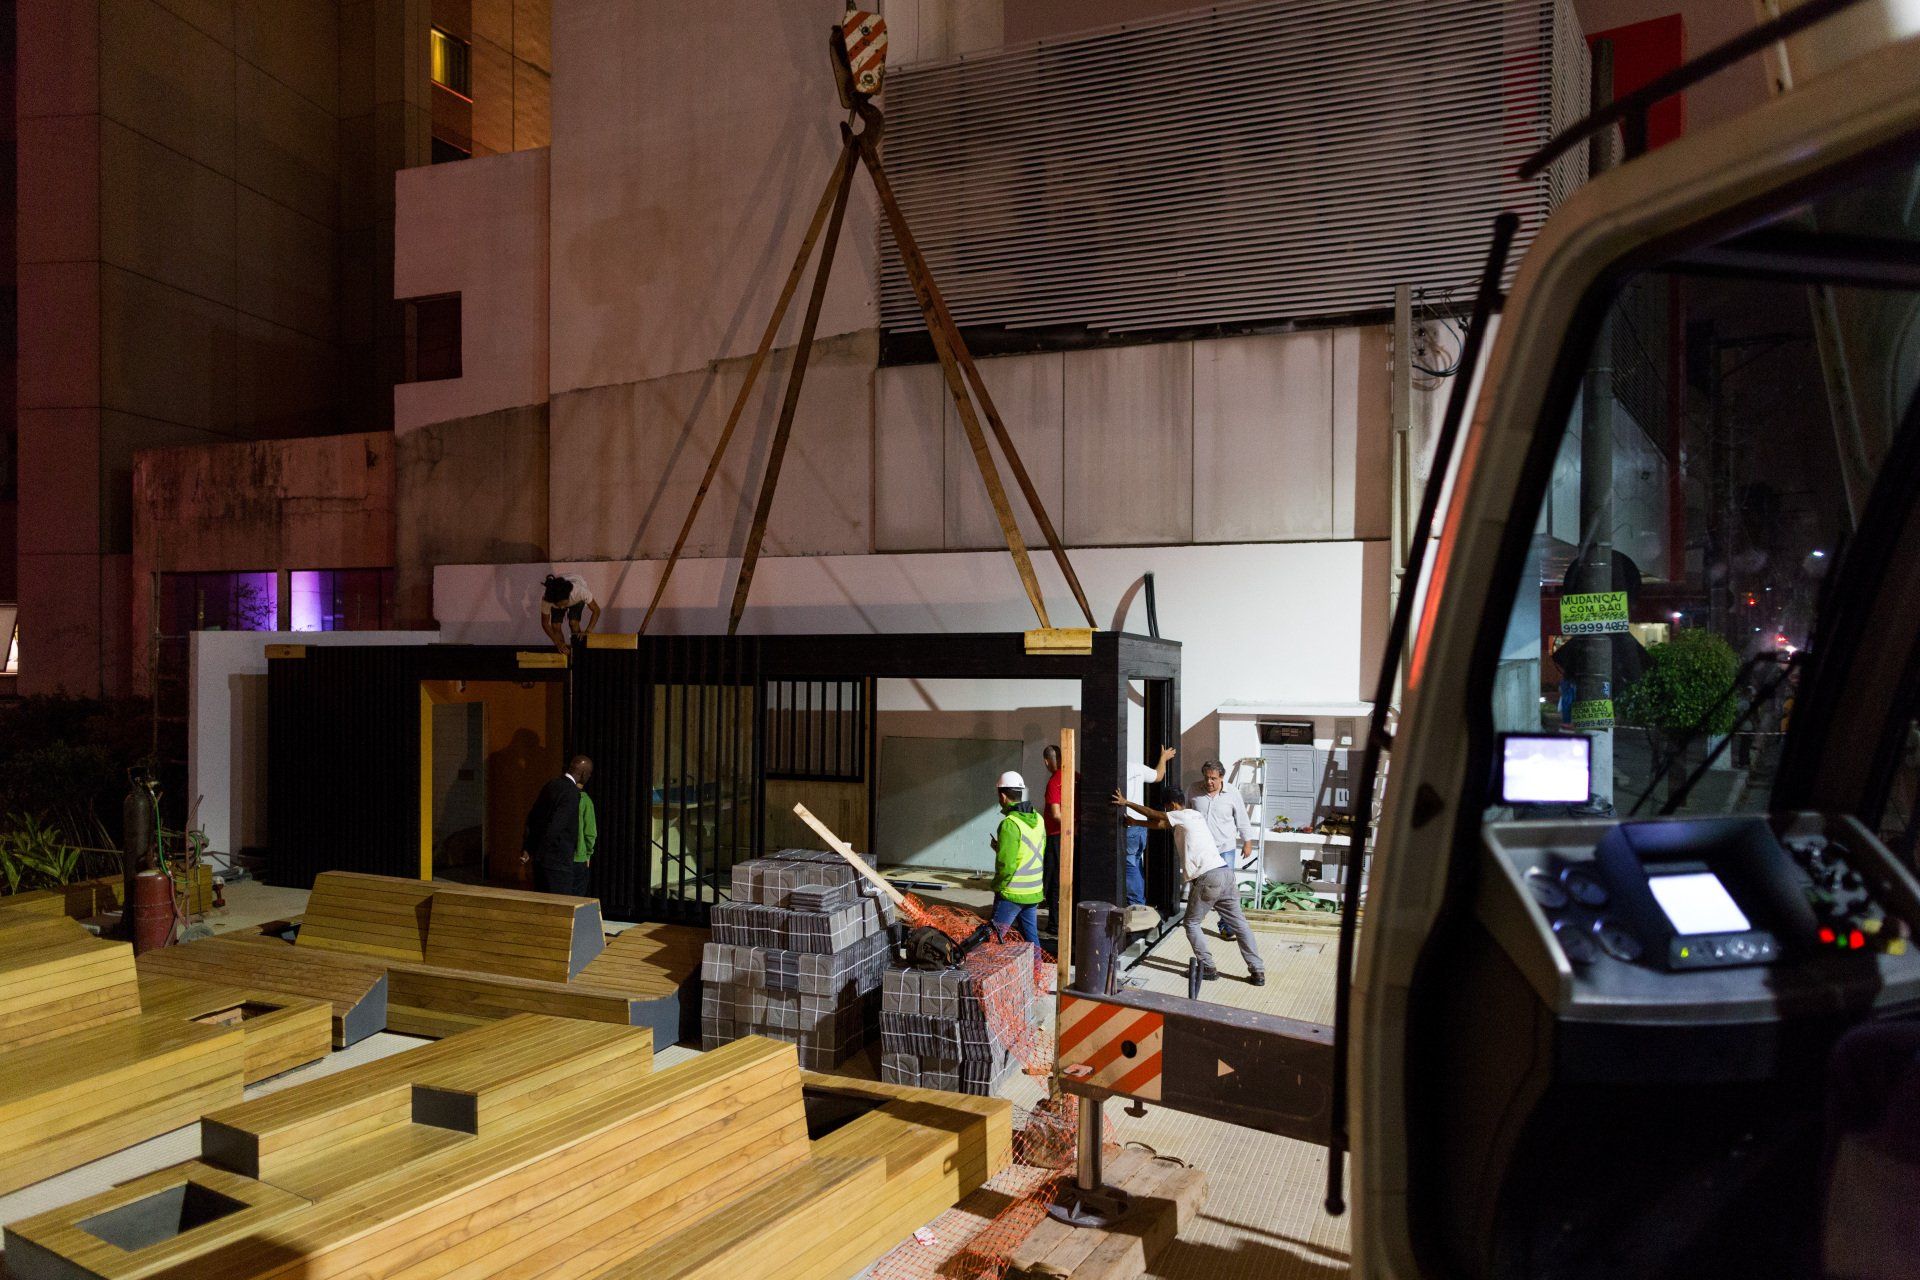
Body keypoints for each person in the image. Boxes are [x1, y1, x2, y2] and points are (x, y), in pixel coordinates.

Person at [1112, 788, 1265, 985]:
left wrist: (1127, 803)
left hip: (1208, 878)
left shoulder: (1182, 815)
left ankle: (1207, 967)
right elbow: (1161, 824)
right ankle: (1258, 971)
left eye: (1166, 808)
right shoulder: (1194, 816)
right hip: (1225, 874)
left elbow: (1156, 815)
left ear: (1171, 805)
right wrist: (1136, 822)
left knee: (1191, 923)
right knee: (1241, 926)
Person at [1188, 760, 1257, 943]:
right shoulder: (1193, 790)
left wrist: (1247, 842)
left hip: (1224, 849)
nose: (1209, 782)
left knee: (1225, 891)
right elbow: (1184, 814)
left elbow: (1242, 818)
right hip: (1200, 850)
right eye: (1206, 777)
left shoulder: (1232, 793)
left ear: (1221, 777)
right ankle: (1194, 921)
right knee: (1199, 885)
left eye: (1213, 778)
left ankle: (1227, 927)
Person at [1119, 745, 1178, 918]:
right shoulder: (1136, 767)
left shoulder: (1116, 771)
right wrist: (1163, 758)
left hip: (1128, 825)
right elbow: (1158, 776)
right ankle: (1139, 903)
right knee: (1136, 863)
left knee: (1130, 866)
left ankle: (1137, 906)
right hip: (1140, 826)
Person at [988, 770, 1046, 946]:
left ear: (1003, 796)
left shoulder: (1009, 824)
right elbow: (1035, 851)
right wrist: (1001, 848)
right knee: (1031, 940)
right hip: (1033, 891)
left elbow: (1006, 865)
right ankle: (1037, 964)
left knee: (992, 939)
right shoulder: (1039, 819)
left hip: (1012, 893)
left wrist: (997, 886)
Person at [521, 754, 592, 893]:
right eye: (589, 774)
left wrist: (529, 847)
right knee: (561, 903)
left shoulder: (551, 785)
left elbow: (533, 817)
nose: (589, 777)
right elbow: (556, 825)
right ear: (583, 774)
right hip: (558, 862)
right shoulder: (572, 793)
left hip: (540, 862)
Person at [1041, 744, 1076, 928]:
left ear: (1047, 761)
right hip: (1073, 835)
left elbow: (1055, 814)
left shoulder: (1054, 781)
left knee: (1054, 880)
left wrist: (1069, 826)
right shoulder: (1075, 777)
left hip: (1057, 836)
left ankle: (1055, 924)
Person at [540, 573, 601, 652]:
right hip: (559, 596)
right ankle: (563, 650)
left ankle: (578, 651)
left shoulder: (579, 592)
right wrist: (557, 643)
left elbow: (596, 610)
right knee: (555, 625)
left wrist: (588, 631)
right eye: (559, 605)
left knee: (573, 622)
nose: (562, 608)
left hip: (576, 599)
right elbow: (545, 623)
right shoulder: (547, 598)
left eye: (563, 604)